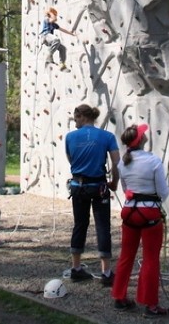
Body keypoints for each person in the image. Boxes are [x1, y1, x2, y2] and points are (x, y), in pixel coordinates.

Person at [111, 124, 169, 318]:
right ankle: (150, 304)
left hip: (130, 211)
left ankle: (119, 297)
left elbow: (126, 189)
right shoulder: (153, 161)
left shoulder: (123, 163)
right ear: (142, 140)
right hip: (149, 212)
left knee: (126, 255)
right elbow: (162, 192)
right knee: (151, 259)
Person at [65, 104, 120, 285]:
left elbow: (71, 159)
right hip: (98, 186)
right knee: (102, 226)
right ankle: (106, 272)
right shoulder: (107, 136)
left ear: (82, 116)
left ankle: (76, 267)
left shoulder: (70, 137)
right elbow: (116, 162)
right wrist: (114, 183)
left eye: (76, 119)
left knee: (80, 224)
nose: (75, 123)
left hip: (78, 185)